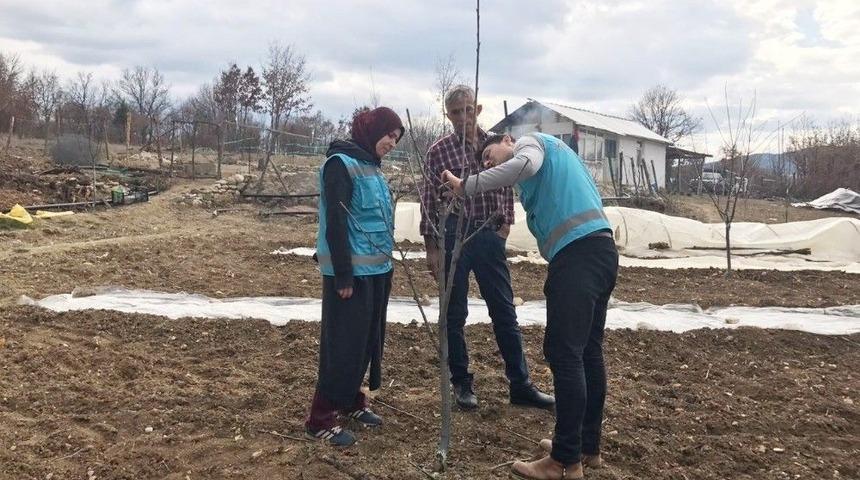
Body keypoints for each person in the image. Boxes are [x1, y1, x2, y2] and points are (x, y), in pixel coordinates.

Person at [442, 132, 618, 479]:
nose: (489, 163)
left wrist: (467, 185)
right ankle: (585, 445)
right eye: (484, 163)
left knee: (565, 354)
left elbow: (524, 164)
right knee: (587, 352)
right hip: (600, 252)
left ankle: (564, 462)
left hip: (578, 257)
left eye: (489, 155)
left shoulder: (531, 144)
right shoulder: (553, 166)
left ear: (507, 139)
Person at [419, 85, 554, 411]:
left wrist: (505, 225)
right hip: (454, 237)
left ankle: (520, 384)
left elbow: (509, 184)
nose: (462, 117)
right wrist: (432, 245)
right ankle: (462, 383)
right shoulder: (438, 152)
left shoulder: (496, 142)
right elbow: (428, 199)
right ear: (447, 115)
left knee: (504, 311)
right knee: (454, 313)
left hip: (489, 236)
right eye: (455, 112)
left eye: (468, 109)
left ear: (477, 109)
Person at [305, 107, 405, 447]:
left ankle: (350, 399)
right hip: (351, 276)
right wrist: (343, 276)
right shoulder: (340, 165)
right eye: (388, 135)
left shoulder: (372, 167)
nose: (392, 143)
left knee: (366, 342)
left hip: (377, 271)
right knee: (343, 345)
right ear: (371, 129)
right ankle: (320, 416)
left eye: (396, 138)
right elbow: (336, 222)